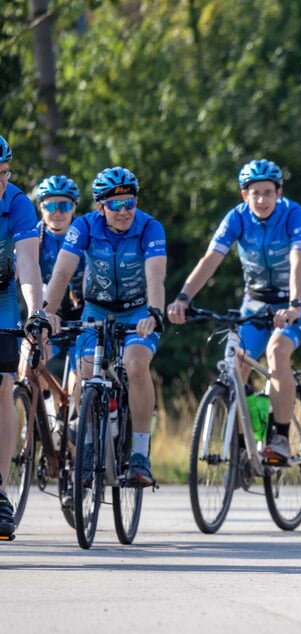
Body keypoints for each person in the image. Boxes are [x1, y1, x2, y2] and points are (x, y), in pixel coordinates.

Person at [167, 159, 301, 463]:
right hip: (256, 300)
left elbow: (299, 260)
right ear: (243, 195)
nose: (261, 200)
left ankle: (280, 436)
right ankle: (242, 444)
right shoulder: (237, 217)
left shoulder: (294, 214)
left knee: (277, 350)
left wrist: (295, 306)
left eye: (268, 192)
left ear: (279, 192)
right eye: (255, 193)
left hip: (296, 301)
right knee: (235, 363)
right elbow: (211, 259)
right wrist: (183, 297)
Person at [45, 166, 166, 488]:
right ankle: (85, 449)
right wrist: (49, 311)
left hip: (138, 310)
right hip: (96, 309)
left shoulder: (150, 227)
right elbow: (61, 273)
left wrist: (154, 312)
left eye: (129, 203)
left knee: (136, 364)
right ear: (101, 207)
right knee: (85, 372)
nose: (124, 211)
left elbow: (155, 275)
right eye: (115, 205)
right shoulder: (84, 226)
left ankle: (140, 454)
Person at [0, 134, 48, 539]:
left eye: (4, 174)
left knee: (1, 384)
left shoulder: (16, 203)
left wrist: (36, 313)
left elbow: (29, 265)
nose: (1, 182)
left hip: (1, 296)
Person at [34, 175, 85, 388]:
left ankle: (75, 418)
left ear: (73, 207)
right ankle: (46, 409)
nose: (57, 212)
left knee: (80, 373)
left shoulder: (86, 234)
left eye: (64, 205)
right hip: (47, 308)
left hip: (83, 311)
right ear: (41, 208)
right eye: (51, 205)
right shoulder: (33, 236)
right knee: (30, 363)